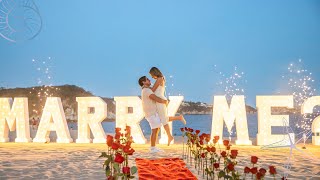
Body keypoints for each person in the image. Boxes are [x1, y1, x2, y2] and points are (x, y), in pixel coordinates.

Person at [149, 67, 186, 146]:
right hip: (159, 101)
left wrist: (146, 87)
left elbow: (153, 90)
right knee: (163, 118)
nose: (152, 77)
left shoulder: (160, 78)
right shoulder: (160, 79)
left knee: (163, 119)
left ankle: (170, 136)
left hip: (160, 101)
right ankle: (178, 119)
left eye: (152, 75)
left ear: (154, 73)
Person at [139, 76, 169, 153]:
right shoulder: (146, 90)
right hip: (151, 113)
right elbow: (154, 97)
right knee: (154, 130)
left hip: (152, 113)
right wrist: (164, 101)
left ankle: (153, 147)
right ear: (143, 82)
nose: (149, 80)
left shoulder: (146, 90)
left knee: (156, 129)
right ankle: (152, 148)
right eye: (147, 79)